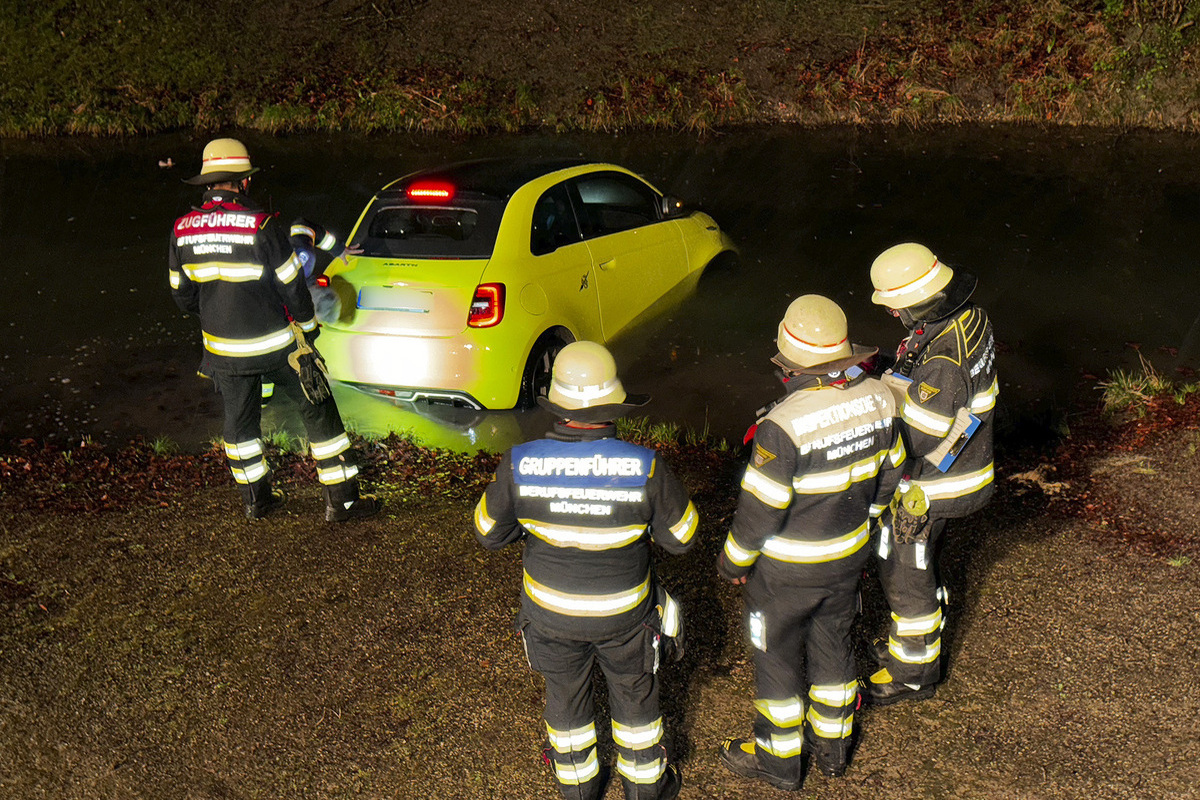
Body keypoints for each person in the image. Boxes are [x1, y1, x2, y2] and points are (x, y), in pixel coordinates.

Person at [473, 341, 698, 800]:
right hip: (626, 618)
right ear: (614, 406)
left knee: (565, 700)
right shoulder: (646, 466)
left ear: (557, 406)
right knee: (635, 698)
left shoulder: (519, 462)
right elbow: (683, 536)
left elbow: (487, 531)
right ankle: (645, 789)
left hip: (550, 617)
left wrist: (534, 524)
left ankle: (579, 788)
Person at [717, 294, 906, 790]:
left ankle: (778, 762)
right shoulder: (881, 397)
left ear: (788, 360)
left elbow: (760, 512)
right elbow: (892, 472)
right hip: (847, 557)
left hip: (784, 573)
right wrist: (864, 520)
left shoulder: (781, 426)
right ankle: (834, 749)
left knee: (776, 657)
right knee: (834, 644)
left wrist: (733, 562)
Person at [168, 137, 382, 523]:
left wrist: (219, 312)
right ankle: (342, 503)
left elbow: (182, 296)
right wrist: (308, 329)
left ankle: (257, 501)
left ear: (207, 183)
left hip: (223, 353)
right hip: (278, 348)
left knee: (240, 426)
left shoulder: (182, 230)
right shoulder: (261, 225)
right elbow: (291, 285)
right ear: (244, 182)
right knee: (319, 412)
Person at [862, 242, 998, 704]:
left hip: (933, 485)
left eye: (895, 307)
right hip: (963, 463)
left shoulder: (943, 362)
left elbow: (919, 436)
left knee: (906, 576)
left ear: (916, 303)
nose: (892, 315)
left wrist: (868, 425)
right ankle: (914, 644)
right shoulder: (968, 319)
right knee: (919, 567)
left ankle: (913, 673)